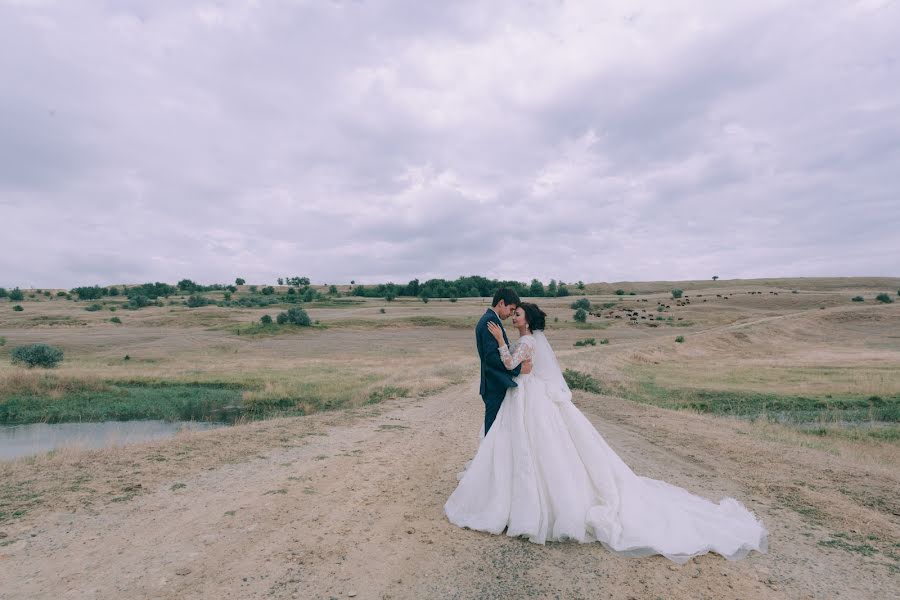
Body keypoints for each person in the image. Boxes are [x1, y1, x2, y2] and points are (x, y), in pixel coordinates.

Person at [445, 302, 768, 563]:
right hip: (527, 394)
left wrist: (502, 342)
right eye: (513, 312)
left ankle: (534, 505)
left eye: (518, 314)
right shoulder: (530, 340)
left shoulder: (527, 341)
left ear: (527, 321)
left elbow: (513, 364)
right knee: (530, 448)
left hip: (530, 396)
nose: (514, 316)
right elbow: (522, 368)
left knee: (540, 448)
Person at [474, 288, 531, 436]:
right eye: (511, 309)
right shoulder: (490, 321)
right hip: (494, 384)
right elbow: (491, 359)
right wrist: (518, 369)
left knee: (498, 429)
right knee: (493, 430)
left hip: (495, 383)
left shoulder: (491, 319)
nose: (511, 314)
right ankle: (488, 459)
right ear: (501, 303)